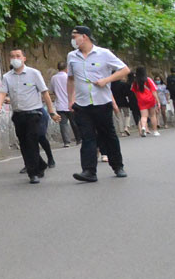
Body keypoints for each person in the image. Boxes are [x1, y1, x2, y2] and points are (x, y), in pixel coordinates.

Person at [66, 26, 130, 182]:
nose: (73, 40)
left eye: (75, 36)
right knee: (87, 137)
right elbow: (71, 79)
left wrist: (106, 80)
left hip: (102, 102)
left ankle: (118, 166)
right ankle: (89, 171)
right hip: (82, 104)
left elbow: (124, 70)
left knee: (108, 135)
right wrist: (70, 99)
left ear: (85, 37)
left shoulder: (104, 54)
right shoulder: (72, 56)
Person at [0, 49, 60, 183]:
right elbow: (2, 93)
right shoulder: (7, 77)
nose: (15, 58)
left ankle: (33, 173)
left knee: (31, 141)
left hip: (34, 114)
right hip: (18, 115)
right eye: (12, 56)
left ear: (24, 58)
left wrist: (51, 111)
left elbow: (45, 93)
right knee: (24, 144)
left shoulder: (34, 73)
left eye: (18, 56)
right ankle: (41, 164)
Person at [50, 61, 77, 145]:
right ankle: (79, 139)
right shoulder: (69, 77)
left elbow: (51, 90)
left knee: (63, 124)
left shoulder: (53, 78)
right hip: (71, 103)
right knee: (74, 122)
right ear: (66, 68)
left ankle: (66, 142)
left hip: (60, 104)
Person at [130, 69, 160, 137]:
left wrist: (138, 98)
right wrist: (158, 101)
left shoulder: (135, 82)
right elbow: (154, 91)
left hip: (141, 100)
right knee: (152, 115)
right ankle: (155, 131)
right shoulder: (148, 79)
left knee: (143, 116)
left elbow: (134, 91)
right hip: (150, 99)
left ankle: (143, 127)